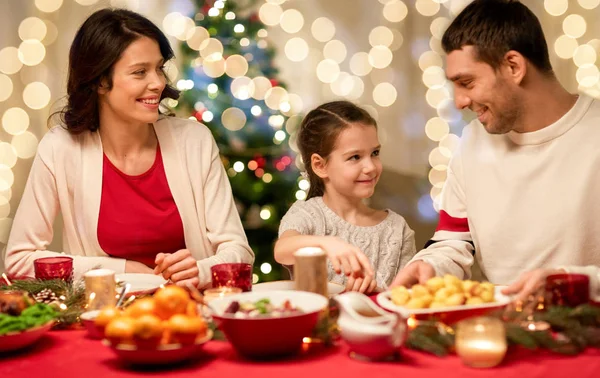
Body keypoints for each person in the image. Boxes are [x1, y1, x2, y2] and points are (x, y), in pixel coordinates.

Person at [4, 9, 253, 288]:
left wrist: (201, 271)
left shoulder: (194, 141)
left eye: (159, 68)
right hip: (103, 320)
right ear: (100, 80)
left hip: (190, 315)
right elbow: (19, 260)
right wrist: (122, 270)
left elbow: (239, 253)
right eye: (139, 72)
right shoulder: (61, 148)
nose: (158, 82)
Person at [391, 0, 600, 297]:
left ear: (513, 66)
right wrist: (430, 266)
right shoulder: (472, 142)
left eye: (467, 82)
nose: (459, 101)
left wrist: (572, 283)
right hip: (497, 333)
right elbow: (453, 240)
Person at [274, 101, 416, 293]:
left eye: (375, 153)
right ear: (320, 165)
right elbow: (282, 250)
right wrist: (327, 244)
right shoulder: (307, 215)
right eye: (355, 157)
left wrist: (375, 293)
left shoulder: (397, 229)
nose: (371, 167)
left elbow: (406, 297)